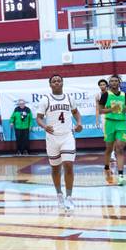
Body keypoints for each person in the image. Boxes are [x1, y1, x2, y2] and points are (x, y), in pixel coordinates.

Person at [36, 74, 82, 212]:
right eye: (54, 81)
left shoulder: (69, 98)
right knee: (55, 168)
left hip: (67, 136)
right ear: (50, 85)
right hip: (52, 138)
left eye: (59, 80)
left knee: (68, 165)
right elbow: (38, 118)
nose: (56, 82)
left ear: (62, 83)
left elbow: (76, 113)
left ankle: (69, 197)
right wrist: (45, 126)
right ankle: (59, 194)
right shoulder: (45, 100)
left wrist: (79, 123)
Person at [102, 73, 126, 185]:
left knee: (119, 148)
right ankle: (107, 169)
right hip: (109, 123)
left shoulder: (124, 95)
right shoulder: (106, 95)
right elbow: (101, 110)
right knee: (109, 149)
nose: (114, 82)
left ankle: (121, 176)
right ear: (110, 83)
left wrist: (124, 109)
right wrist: (111, 109)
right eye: (112, 81)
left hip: (121, 124)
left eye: (116, 81)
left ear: (119, 83)